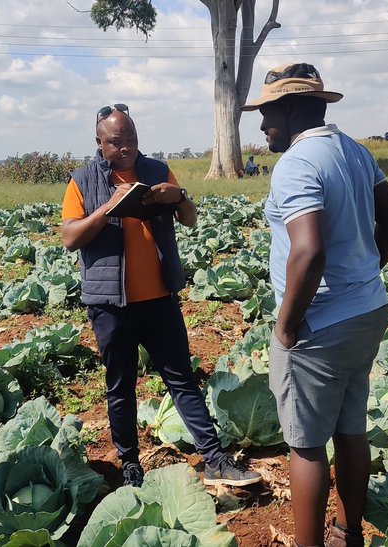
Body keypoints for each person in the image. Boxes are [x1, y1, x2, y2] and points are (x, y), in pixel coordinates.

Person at [242, 64, 388, 547]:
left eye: (267, 112)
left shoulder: (297, 163)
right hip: (366, 313)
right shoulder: (354, 150)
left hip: (320, 326)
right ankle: (347, 531)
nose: (262, 124)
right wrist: (364, 273)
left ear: (292, 109)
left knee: (307, 445)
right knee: (350, 430)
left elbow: (308, 250)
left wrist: (287, 326)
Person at [60, 104, 262, 489]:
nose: (127, 148)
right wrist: (109, 207)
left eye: (132, 139)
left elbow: (189, 218)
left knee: (181, 380)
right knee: (120, 385)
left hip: (159, 299)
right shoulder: (82, 181)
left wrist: (179, 195)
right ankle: (130, 465)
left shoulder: (157, 171)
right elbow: (70, 238)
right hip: (110, 306)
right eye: (117, 142)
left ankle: (215, 459)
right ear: (100, 144)